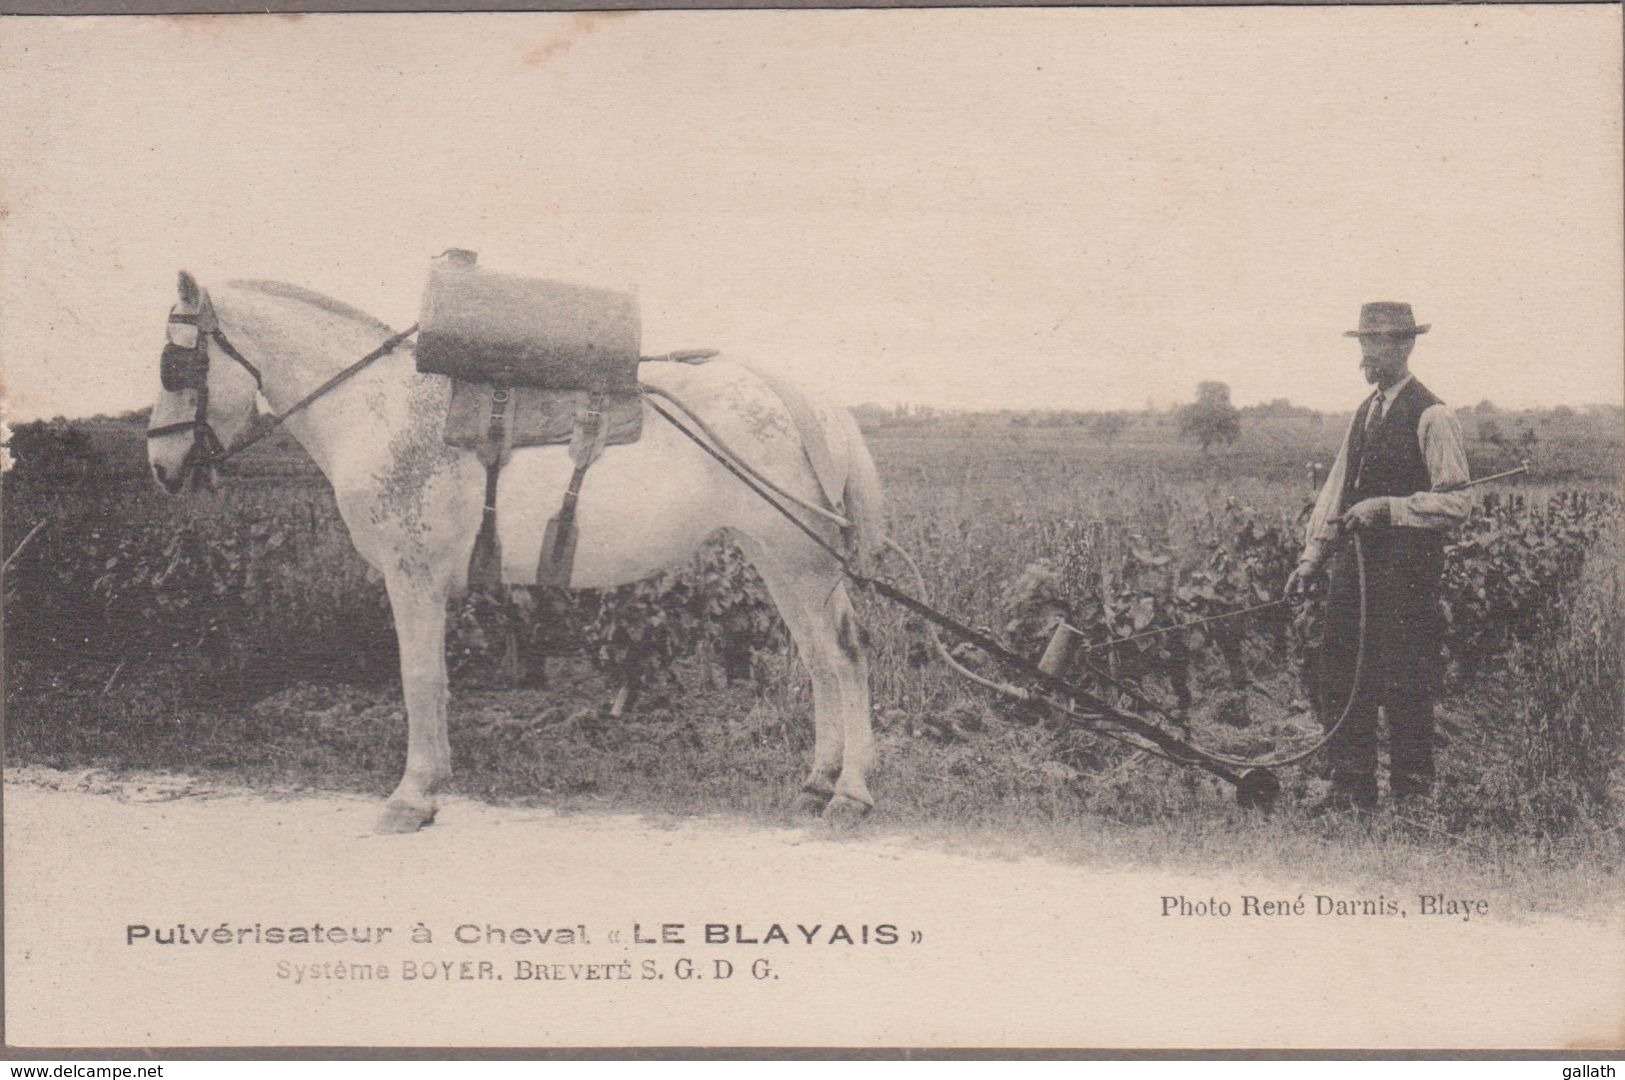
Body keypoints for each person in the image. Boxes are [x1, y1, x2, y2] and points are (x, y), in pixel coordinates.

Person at [1285, 302, 1471, 813]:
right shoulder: (1365, 412)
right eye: (1364, 342)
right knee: (1341, 672)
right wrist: (1311, 558)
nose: (1367, 353)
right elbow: (1336, 490)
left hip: (1407, 577)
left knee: (1406, 679)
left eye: (1379, 342)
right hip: (1354, 571)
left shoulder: (1433, 415)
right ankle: (1351, 790)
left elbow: (1456, 502)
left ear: (1405, 345)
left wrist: (1387, 509)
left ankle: (1413, 797)